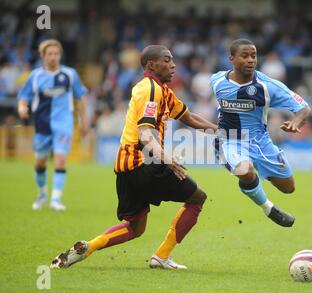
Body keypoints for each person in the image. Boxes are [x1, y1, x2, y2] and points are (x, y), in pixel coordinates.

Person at [50, 45, 218, 270]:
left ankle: (89, 247)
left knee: (135, 228)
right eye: (167, 60)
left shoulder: (160, 90)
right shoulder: (151, 90)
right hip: (145, 162)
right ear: (151, 64)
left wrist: (218, 130)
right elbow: (145, 133)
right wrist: (164, 157)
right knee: (197, 197)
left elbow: (188, 117)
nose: (173, 65)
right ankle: (162, 256)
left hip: (125, 166)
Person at [210, 39, 311, 227]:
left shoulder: (267, 86)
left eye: (254, 56)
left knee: (288, 188)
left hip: (261, 142)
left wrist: (296, 121)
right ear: (232, 59)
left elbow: (304, 108)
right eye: (245, 55)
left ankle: (249, 173)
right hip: (230, 140)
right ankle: (268, 208)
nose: (251, 60)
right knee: (245, 170)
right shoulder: (217, 81)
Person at [17, 39, 88, 211]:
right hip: (42, 124)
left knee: (61, 160)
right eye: (50, 54)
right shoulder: (35, 76)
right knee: (40, 162)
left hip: (64, 124)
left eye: (56, 54)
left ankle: (55, 199)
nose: (53, 57)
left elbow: (82, 97)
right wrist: (22, 108)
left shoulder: (70, 75)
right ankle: (42, 194)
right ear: (42, 56)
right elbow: (24, 96)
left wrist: (84, 121)